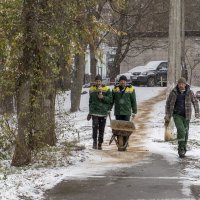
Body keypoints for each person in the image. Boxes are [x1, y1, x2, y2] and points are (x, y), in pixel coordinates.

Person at [165, 77, 200, 158]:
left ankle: (183, 148)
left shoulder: (189, 92)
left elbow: (195, 102)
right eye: (180, 83)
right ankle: (180, 149)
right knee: (181, 130)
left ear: (185, 84)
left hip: (187, 115)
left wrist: (197, 112)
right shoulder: (174, 92)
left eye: (182, 84)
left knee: (186, 132)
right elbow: (168, 103)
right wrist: (167, 114)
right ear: (178, 84)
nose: (181, 85)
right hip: (177, 115)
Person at [87, 75, 112, 150]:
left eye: (99, 81)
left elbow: (110, 100)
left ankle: (100, 143)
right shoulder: (91, 89)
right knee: (94, 128)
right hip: (94, 112)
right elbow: (90, 102)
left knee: (101, 128)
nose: (98, 82)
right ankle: (94, 142)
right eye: (97, 81)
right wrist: (90, 113)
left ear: (101, 81)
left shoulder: (106, 89)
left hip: (103, 112)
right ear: (95, 81)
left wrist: (103, 97)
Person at [112, 75, 137, 146]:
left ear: (126, 82)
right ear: (119, 82)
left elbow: (133, 101)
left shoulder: (130, 89)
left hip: (126, 112)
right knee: (118, 128)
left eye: (124, 81)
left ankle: (126, 141)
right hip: (118, 112)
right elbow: (112, 100)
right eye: (121, 81)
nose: (122, 82)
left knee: (126, 128)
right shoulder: (115, 89)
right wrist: (109, 108)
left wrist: (134, 111)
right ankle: (120, 142)